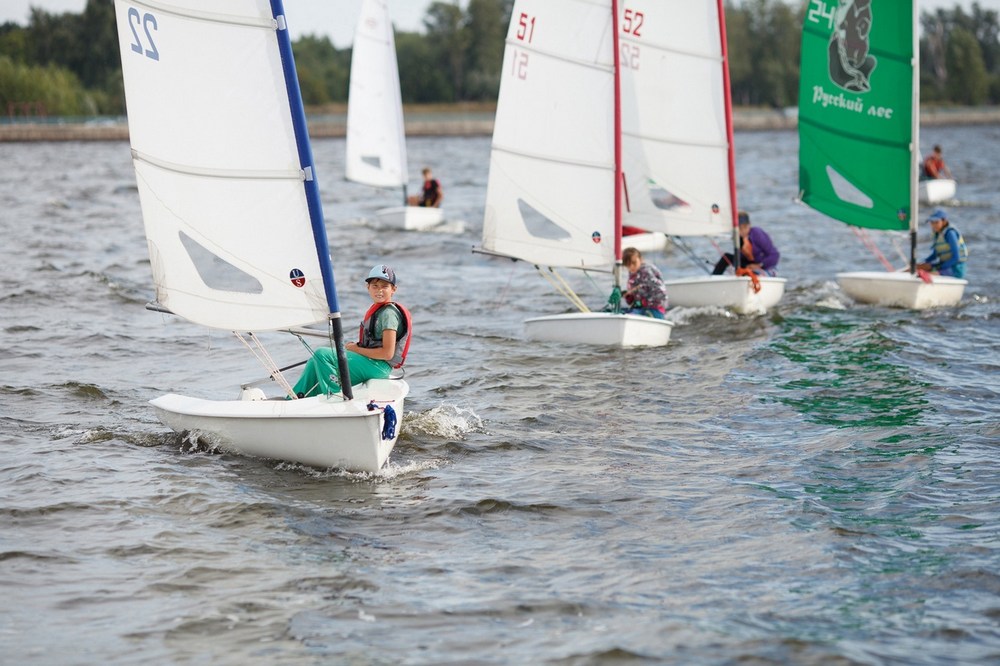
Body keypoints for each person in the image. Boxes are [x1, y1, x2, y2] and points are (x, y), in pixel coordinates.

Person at [291, 265, 411, 398]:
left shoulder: (389, 314)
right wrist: (355, 347)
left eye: (385, 286)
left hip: (378, 366)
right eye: (375, 286)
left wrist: (355, 349)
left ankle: (335, 396)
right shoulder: (380, 310)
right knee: (315, 361)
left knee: (321, 354)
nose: (379, 290)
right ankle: (295, 398)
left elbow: (387, 354)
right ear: (368, 288)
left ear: (394, 289)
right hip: (370, 362)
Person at [711, 211, 780, 276]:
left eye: (744, 227)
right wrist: (720, 265)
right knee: (726, 257)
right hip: (749, 265)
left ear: (749, 225)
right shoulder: (738, 238)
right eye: (739, 228)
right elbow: (741, 258)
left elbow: (775, 255)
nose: (742, 231)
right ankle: (713, 279)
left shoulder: (757, 233)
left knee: (750, 273)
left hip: (765, 266)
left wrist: (759, 265)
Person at [916, 208, 968, 279]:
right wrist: (923, 262)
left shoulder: (950, 233)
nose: (933, 225)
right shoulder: (938, 234)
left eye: (936, 222)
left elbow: (956, 257)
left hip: (955, 269)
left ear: (944, 221)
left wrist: (939, 267)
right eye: (932, 222)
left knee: (923, 275)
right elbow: (934, 255)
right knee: (916, 267)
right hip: (943, 266)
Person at [621, 247, 668, 319]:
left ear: (640, 259)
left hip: (655, 307)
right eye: (628, 265)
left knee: (649, 315)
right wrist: (629, 296)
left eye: (634, 263)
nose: (631, 267)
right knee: (630, 314)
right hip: (641, 307)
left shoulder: (647, 271)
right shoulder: (632, 273)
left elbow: (658, 289)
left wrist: (635, 290)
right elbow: (634, 297)